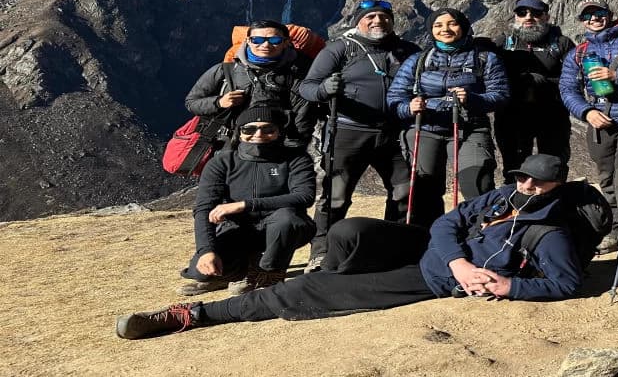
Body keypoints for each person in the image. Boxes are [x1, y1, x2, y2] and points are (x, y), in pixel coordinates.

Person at [115, 155, 582, 339]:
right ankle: (333, 277)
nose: (526, 184)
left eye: (538, 181)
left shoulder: (550, 233)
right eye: (521, 175)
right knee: (347, 231)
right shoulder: (502, 197)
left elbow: (566, 282)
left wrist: (508, 287)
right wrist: (460, 259)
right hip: (432, 253)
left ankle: (191, 316)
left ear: (556, 185)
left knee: (304, 294)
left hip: (428, 276)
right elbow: (446, 224)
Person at [297, 0, 421, 271]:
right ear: (359, 21)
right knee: (336, 195)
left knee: (403, 192)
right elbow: (307, 87)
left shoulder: (408, 51)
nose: (378, 21)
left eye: (384, 16)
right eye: (371, 16)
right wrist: (324, 90)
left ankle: (393, 248)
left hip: (395, 133)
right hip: (348, 132)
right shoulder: (341, 49)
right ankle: (322, 253)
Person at [386, 7, 510, 227]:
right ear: (431, 30)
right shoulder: (418, 61)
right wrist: (409, 107)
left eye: (452, 23)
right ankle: (429, 242)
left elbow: (501, 95)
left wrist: (473, 99)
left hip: (469, 129)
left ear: (463, 27)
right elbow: (395, 98)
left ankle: (483, 239)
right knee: (425, 190)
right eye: (438, 25)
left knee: (477, 183)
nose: (445, 29)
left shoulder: (485, 58)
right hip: (425, 129)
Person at [176, 107, 315, 296]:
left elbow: (304, 196)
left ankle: (269, 274)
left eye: (268, 129)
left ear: (279, 132)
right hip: (238, 229)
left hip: (283, 229)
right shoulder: (222, 162)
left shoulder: (295, 159)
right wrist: (206, 250)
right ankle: (237, 273)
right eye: (249, 129)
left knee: (286, 218)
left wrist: (245, 204)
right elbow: (203, 208)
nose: (259, 135)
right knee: (201, 271)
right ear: (239, 132)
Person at [558, 0, 618, 262]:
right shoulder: (579, 53)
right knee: (607, 180)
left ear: (609, 14)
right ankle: (616, 230)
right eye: (587, 16)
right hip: (599, 123)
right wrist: (587, 112)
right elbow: (568, 89)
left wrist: (615, 76)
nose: (594, 19)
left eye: (598, 14)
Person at [185, 19, 317, 150]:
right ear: (247, 41)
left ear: (286, 43)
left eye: (274, 41)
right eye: (257, 40)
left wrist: (291, 154)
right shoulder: (225, 70)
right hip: (228, 146)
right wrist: (219, 102)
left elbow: (302, 120)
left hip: (276, 148)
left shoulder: (297, 74)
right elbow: (191, 103)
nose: (265, 45)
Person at [493, 0, 575, 179]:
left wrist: (540, 81)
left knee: (554, 166)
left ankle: (555, 205)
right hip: (512, 115)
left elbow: (574, 78)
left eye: (536, 13)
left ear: (546, 17)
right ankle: (515, 205)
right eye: (522, 13)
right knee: (514, 167)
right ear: (515, 17)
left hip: (553, 114)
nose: (528, 17)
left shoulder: (562, 43)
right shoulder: (502, 43)